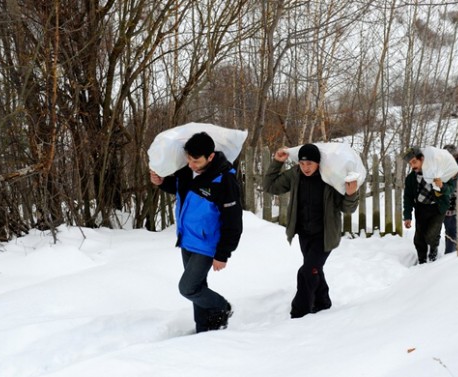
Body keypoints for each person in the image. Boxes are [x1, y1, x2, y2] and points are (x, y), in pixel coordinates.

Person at [149, 132, 243, 333]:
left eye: (195, 160)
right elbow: (179, 189)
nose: (190, 164)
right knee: (199, 286)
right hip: (187, 238)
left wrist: (222, 253)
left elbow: (233, 221)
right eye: (188, 159)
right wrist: (161, 183)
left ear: (210, 157)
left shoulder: (223, 179)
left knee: (188, 288)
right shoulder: (186, 171)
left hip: (207, 244)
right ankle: (204, 329)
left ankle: (222, 307)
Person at [263, 144, 359, 319]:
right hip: (304, 234)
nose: (306, 168)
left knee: (307, 271)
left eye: (310, 164)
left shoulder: (330, 178)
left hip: (325, 235)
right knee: (315, 269)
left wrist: (351, 194)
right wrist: (277, 162)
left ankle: (300, 313)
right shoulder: (295, 174)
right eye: (302, 163)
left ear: (318, 163)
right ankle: (323, 302)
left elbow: (347, 208)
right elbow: (270, 186)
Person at [402, 146, 455, 264]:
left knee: (431, 236)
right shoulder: (411, 178)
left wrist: (442, 186)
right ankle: (422, 260)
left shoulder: (437, 171)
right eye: (410, 163)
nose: (413, 166)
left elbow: (451, 189)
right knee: (419, 239)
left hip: (437, 208)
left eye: (414, 162)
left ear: (422, 159)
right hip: (421, 209)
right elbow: (408, 197)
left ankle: (433, 250)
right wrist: (407, 216)